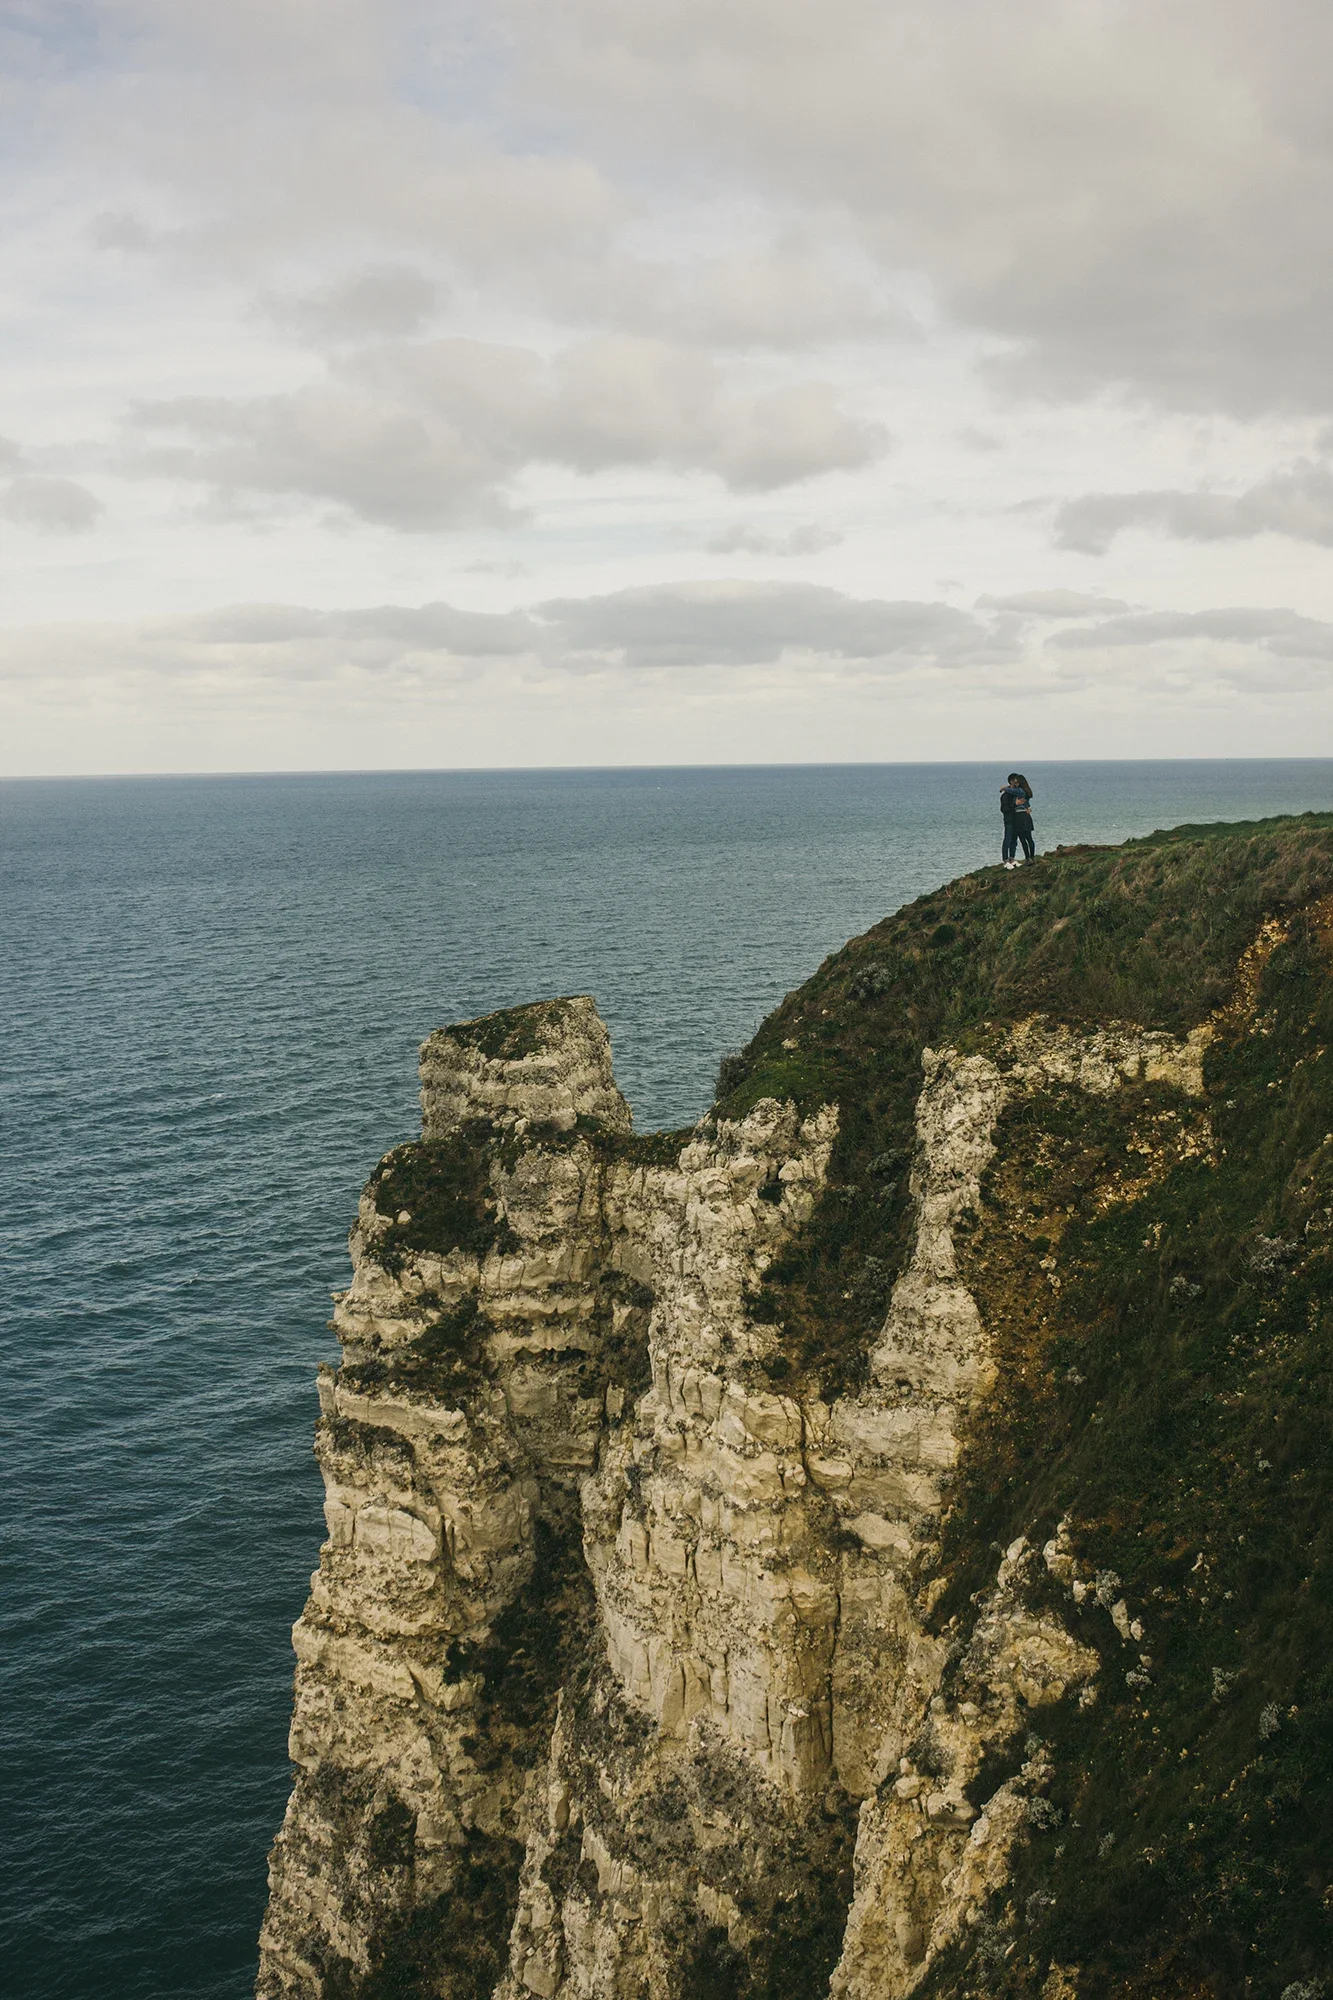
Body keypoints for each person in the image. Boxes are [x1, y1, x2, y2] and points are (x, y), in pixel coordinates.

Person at [1000, 771, 1036, 867]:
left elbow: (1010, 790)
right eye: (1014, 782)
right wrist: (1026, 807)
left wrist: (1004, 788)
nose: (1015, 784)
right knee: (1026, 839)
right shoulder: (1024, 791)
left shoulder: (1019, 791)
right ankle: (1030, 858)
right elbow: (1004, 809)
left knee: (1022, 839)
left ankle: (1027, 858)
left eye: (1017, 782)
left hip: (1020, 817)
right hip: (1020, 817)